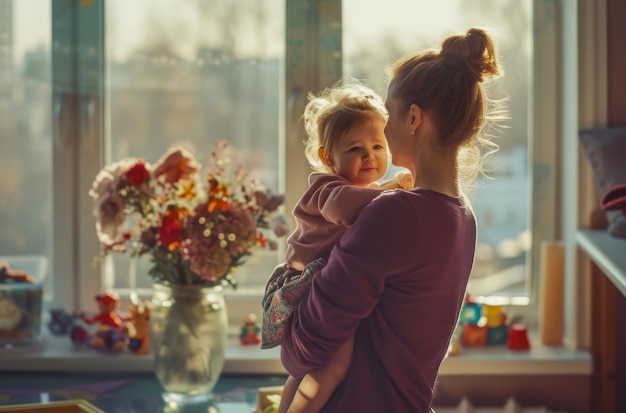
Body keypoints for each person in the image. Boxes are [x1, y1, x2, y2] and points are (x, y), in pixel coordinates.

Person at [280, 27, 504, 412]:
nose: (382, 127)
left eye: (389, 112)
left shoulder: (394, 214)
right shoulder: (463, 217)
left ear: (414, 118)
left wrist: (283, 311)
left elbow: (305, 349)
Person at [261, 81, 413, 413]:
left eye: (377, 146)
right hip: (302, 285)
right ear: (328, 157)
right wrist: (392, 191)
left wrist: (388, 189)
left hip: (316, 283)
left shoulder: (363, 190)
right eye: (355, 149)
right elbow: (346, 208)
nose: (369, 156)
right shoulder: (326, 186)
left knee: (301, 373)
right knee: (332, 366)